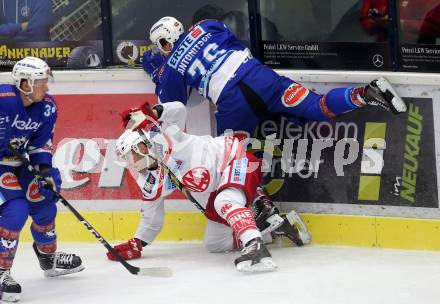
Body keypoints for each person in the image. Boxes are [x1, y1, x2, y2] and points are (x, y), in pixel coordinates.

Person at [141, 16, 407, 242]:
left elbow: (174, 106)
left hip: (232, 103)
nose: (163, 49)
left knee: (232, 161)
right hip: (261, 77)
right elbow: (237, 48)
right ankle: (366, 93)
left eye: (161, 45)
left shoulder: (172, 65)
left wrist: (160, 76)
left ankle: (264, 208)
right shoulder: (208, 25)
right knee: (317, 106)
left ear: (166, 40)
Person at [107, 101, 310, 273]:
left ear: (142, 147)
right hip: (215, 190)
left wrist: (155, 111)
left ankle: (255, 245)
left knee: (225, 200)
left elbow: (178, 108)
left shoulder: (168, 137)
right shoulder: (149, 182)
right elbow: (152, 219)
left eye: (129, 156)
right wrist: (137, 244)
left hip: (233, 159)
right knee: (215, 244)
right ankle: (273, 227)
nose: (130, 163)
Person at [0, 57, 84, 302]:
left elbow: (40, 145)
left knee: (44, 200)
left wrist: (45, 171)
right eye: (40, 83)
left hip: (17, 162)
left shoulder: (47, 107)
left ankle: (48, 258)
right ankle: (2, 271)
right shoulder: (2, 99)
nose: (46, 88)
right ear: (24, 83)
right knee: (15, 211)